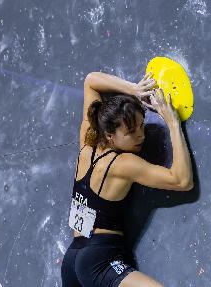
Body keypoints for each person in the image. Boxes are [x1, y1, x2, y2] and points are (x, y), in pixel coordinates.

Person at [61, 71, 194, 287]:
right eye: (131, 132)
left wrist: (133, 90)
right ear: (110, 135)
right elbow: (182, 181)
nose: (141, 135)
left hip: (72, 260)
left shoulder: (86, 145)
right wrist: (172, 123)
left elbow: (90, 81)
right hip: (99, 259)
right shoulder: (123, 164)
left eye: (142, 125)